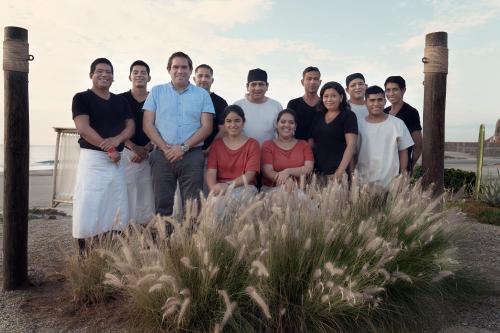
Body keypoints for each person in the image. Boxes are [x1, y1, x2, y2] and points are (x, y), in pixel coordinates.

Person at [72, 58, 134, 250]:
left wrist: (117, 141)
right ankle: (85, 253)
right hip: (93, 160)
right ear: (91, 75)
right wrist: (108, 148)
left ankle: (112, 250)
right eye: (99, 71)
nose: (104, 75)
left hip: (117, 161)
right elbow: (83, 127)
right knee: (89, 203)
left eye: (108, 72)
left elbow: (130, 127)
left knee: (116, 203)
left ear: (113, 77)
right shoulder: (81, 98)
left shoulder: (120, 101)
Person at [143, 51, 214, 217]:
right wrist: (165, 148)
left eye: (184, 67)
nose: (180, 71)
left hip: (192, 155)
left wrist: (182, 148)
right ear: (168, 69)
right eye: (176, 67)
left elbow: (207, 127)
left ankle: (189, 242)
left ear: (190, 71)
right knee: (162, 204)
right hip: (162, 155)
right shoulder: (156, 92)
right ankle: (163, 241)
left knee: (192, 206)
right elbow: (147, 124)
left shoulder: (202, 95)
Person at [356, 85, 414, 187]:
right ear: (366, 103)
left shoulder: (397, 123)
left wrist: (403, 176)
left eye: (380, 100)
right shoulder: (359, 125)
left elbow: (403, 152)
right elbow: (354, 152)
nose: (376, 104)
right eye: (372, 100)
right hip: (363, 183)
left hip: (390, 183)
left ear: (385, 101)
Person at [119, 60, 154, 224]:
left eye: (143, 72)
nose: (139, 75)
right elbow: (115, 128)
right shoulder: (120, 99)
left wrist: (146, 149)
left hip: (152, 151)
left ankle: (146, 228)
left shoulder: (156, 98)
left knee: (148, 192)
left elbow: (160, 126)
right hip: (127, 153)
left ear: (149, 77)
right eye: (136, 72)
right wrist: (133, 147)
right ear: (129, 76)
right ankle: (125, 226)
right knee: (126, 190)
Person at [206, 105, 260, 197]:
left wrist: (228, 185)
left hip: (245, 187)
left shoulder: (253, 144)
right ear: (224, 124)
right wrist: (213, 188)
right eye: (228, 121)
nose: (233, 125)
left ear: (243, 123)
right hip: (220, 188)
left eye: (237, 121)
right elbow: (211, 172)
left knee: (233, 198)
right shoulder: (217, 145)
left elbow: (249, 175)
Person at [309, 81, 358, 183]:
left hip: (338, 172)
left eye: (333, 96)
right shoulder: (318, 116)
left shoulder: (348, 116)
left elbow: (351, 145)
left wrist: (340, 171)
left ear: (341, 98)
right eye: (326, 96)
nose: (329, 99)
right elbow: (312, 142)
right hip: (318, 172)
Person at [261, 109, 314, 191]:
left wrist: (288, 171)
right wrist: (286, 181)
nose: (287, 125)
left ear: (295, 126)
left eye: (291, 122)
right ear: (276, 124)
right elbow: (267, 172)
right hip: (272, 189)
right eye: (283, 122)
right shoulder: (268, 145)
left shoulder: (304, 145)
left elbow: (308, 168)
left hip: (299, 190)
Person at [384, 76, 422, 173]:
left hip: (402, 165)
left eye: (395, 89)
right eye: (388, 90)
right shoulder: (384, 112)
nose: (391, 93)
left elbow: (418, 144)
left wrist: (411, 165)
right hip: (384, 165)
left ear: (403, 90)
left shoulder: (411, 112)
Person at [234, 68, 282, 145]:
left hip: (268, 153)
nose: (257, 88)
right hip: (243, 153)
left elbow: (280, 132)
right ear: (247, 86)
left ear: (267, 86)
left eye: (261, 84)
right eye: (253, 84)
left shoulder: (276, 106)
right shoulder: (237, 106)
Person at [192, 64, 228, 152]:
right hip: (186, 151)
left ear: (212, 80)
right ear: (194, 79)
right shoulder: (185, 99)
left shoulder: (221, 102)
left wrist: (210, 149)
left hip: (210, 153)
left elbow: (223, 130)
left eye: (207, 76)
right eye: (200, 76)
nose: (203, 79)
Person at [286, 66, 321, 140]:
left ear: (320, 82)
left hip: (322, 149)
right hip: (298, 148)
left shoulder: (326, 104)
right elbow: (288, 128)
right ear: (302, 82)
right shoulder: (293, 104)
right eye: (309, 79)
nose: (312, 82)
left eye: (315, 79)